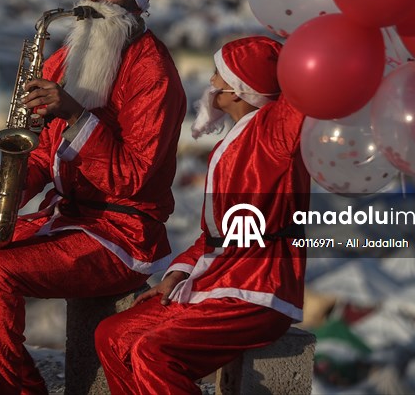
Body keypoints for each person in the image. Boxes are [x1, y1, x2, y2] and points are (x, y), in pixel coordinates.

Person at [0, 0, 187, 395]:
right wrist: (16, 186)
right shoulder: (69, 53)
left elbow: (134, 177)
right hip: (64, 219)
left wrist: (78, 115)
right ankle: (14, 384)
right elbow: (42, 151)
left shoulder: (153, 72)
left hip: (122, 234)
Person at [94, 35, 310, 395]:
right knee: (112, 335)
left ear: (240, 90)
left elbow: (304, 97)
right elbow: (214, 236)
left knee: (153, 353)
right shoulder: (229, 146)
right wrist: (176, 273)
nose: (211, 83)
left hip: (257, 289)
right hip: (217, 279)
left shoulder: (272, 132)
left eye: (218, 75)